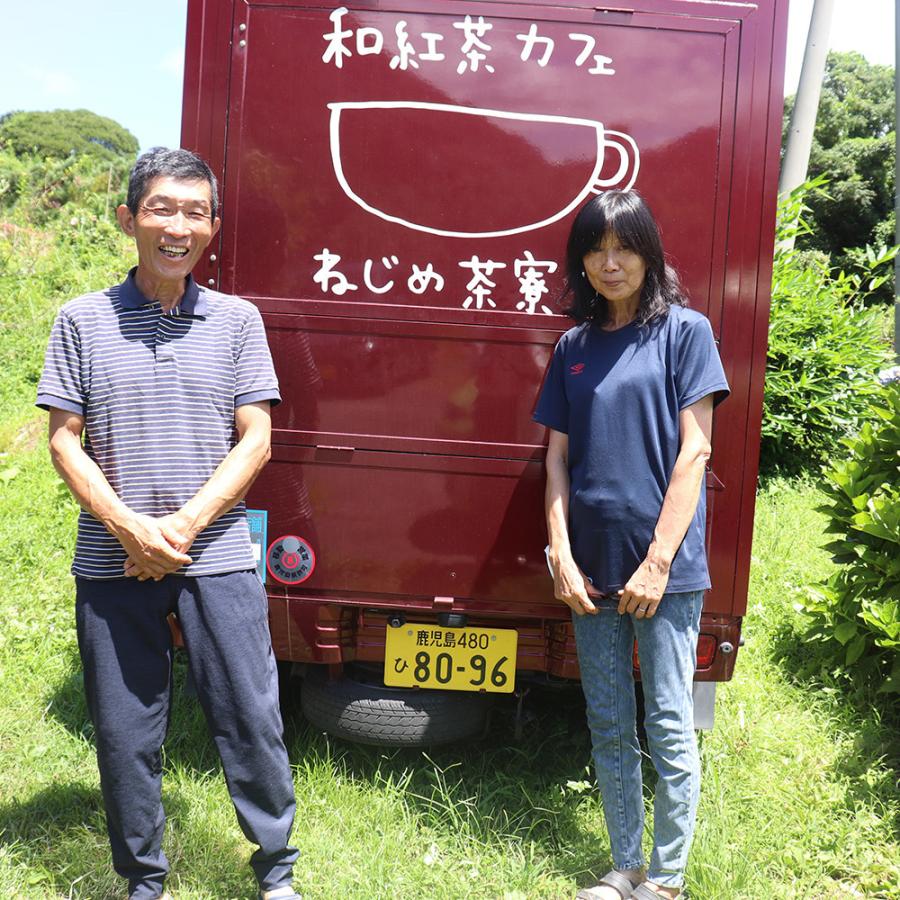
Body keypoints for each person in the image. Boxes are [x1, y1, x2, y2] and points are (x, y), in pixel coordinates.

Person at [37, 148, 301, 900]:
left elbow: (257, 436)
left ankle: (276, 870)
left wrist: (178, 527)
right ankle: (143, 879)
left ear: (212, 228)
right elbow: (64, 438)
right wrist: (129, 529)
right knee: (125, 733)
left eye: (194, 212)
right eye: (162, 208)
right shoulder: (81, 320)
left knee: (250, 718)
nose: (177, 226)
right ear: (129, 219)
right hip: (110, 560)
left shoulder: (238, 322)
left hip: (215, 554)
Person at [534, 190, 729, 900]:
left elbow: (695, 453)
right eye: (595, 249)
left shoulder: (685, 332)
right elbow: (557, 459)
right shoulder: (573, 347)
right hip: (590, 567)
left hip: (665, 573)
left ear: (649, 253)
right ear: (580, 262)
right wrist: (560, 551)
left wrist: (658, 561)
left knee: (670, 725)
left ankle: (667, 880)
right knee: (610, 723)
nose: (609, 262)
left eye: (623, 247)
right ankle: (624, 868)